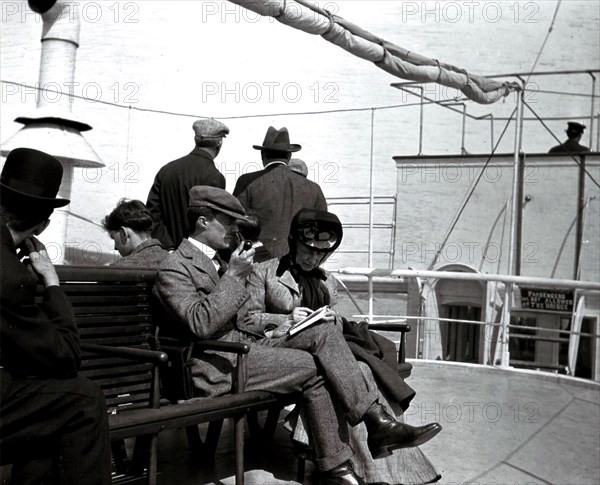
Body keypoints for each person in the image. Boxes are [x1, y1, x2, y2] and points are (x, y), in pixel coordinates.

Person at [152, 186, 441, 485]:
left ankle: (376, 424)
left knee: (323, 332)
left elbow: (243, 320)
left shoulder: (222, 262)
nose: (235, 230)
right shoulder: (175, 268)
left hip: (245, 349)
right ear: (202, 221)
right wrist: (235, 277)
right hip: (214, 366)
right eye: (229, 222)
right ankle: (339, 469)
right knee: (314, 369)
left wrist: (283, 325)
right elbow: (200, 324)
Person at [244, 208, 441, 484]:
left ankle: (377, 467)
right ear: (292, 242)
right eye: (307, 251)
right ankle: (375, 428)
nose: (313, 258)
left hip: (320, 351)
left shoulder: (328, 282)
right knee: (347, 366)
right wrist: (285, 319)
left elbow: (336, 332)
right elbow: (247, 321)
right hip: (277, 350)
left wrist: (335, 320)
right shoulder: (263, 272)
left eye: (320, 254)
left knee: (362, 369)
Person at [0, 148, 111, 484]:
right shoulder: (10, 276)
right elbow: (66, 356)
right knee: (84, 400)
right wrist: (51, 283)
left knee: (50, 408)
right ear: (44, 224)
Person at [233, 126, 327, 260]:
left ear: (263, 155)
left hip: (257, 260)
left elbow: (235, 223)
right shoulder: (314, 188)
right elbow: (324, 232)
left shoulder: (247, 182)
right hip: (297, 262)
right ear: (289, 156)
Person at [146, 118, 229, 250]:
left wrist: (169, 248)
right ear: (219, 142)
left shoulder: (167, 170)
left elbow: (152, 214)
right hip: (196, 256)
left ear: (196, 140)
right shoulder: (215, 177)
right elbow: (210, 223)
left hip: (166, 253)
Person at [103, 198, 169, 268]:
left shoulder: (118, 269)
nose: (115, 247)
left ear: (124, 233)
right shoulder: (174, 261)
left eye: (114, 238)